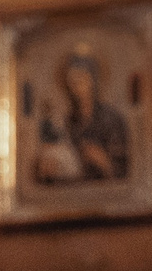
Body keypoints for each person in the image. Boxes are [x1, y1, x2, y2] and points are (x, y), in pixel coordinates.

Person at [33, 48, 129, 185]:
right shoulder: (67, 121)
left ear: (93, 80)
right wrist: (49, 168)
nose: (76, 86)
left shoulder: (111, 118)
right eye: (72, 81)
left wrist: (103, 160)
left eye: (82, 78)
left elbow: (125, 171)